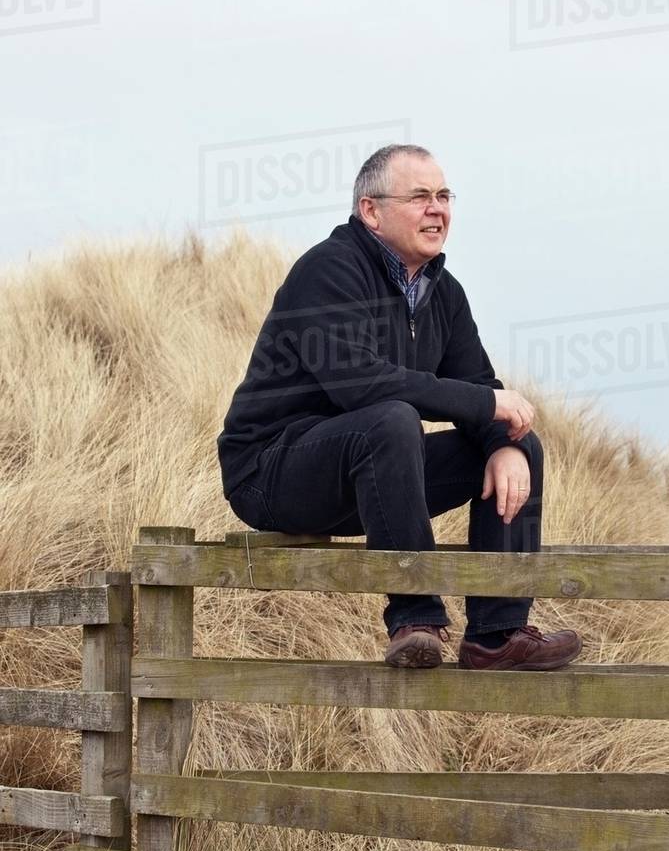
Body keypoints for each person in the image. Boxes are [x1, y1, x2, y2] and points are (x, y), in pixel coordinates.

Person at [217, 144, 582, 671]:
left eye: (443, 196)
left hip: (374, 477)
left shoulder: (443, 292)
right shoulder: (328, 270)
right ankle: (415, 620)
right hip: (273, 472)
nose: (437, 209)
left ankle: (497, 634)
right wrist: (486, 403)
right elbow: (359, 385)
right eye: (419, 197)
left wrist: (502, 444)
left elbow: (476, 382)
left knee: (520, 445)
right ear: (371, 211)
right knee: (390, 418)